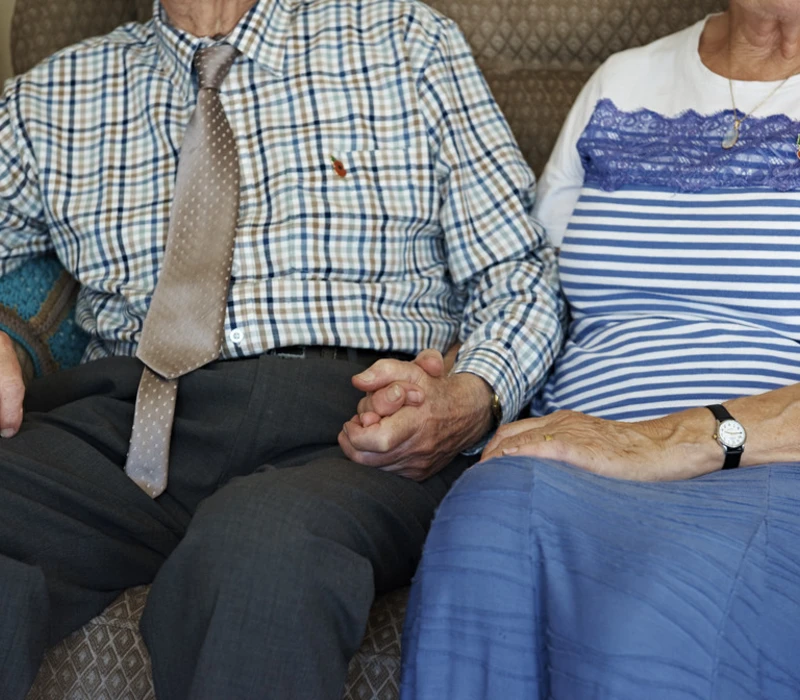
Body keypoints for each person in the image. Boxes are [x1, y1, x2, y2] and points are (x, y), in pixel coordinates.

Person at [0, 0, 565, 698]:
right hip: (130, 419)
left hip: (354, 420)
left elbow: (518, 277)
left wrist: (468, 398)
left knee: (261, 554)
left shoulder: (405, 41)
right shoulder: (50, 96)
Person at [395, 0, 800, 697]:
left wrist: (670, 441)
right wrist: (455, 388)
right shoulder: (624, 82)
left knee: (647, 624)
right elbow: (529, 291)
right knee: (487, 532)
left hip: (765, 464)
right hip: (569, 451)